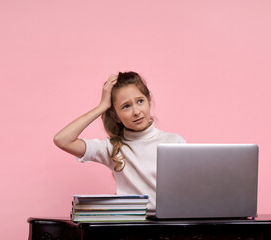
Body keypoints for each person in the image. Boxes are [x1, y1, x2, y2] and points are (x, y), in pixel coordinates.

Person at [53, 71, 186, 209]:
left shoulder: (174, 142)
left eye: (140, 101)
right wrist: (102, 107)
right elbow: (62, 140)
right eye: (126, 106)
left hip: (169, 224)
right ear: (115, 116)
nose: (136, 111)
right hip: (129, 224)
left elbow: (188, 189)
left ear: (149, 102)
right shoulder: (112, 147)